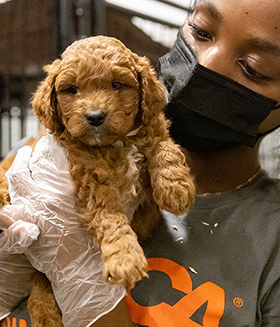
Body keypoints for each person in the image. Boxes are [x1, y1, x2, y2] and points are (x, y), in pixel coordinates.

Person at [2, 0, 280, 325]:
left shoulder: (270, 241)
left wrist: (83, 284)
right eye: (200, 30)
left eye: (253, 67)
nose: (205, 63)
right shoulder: (37, 163)